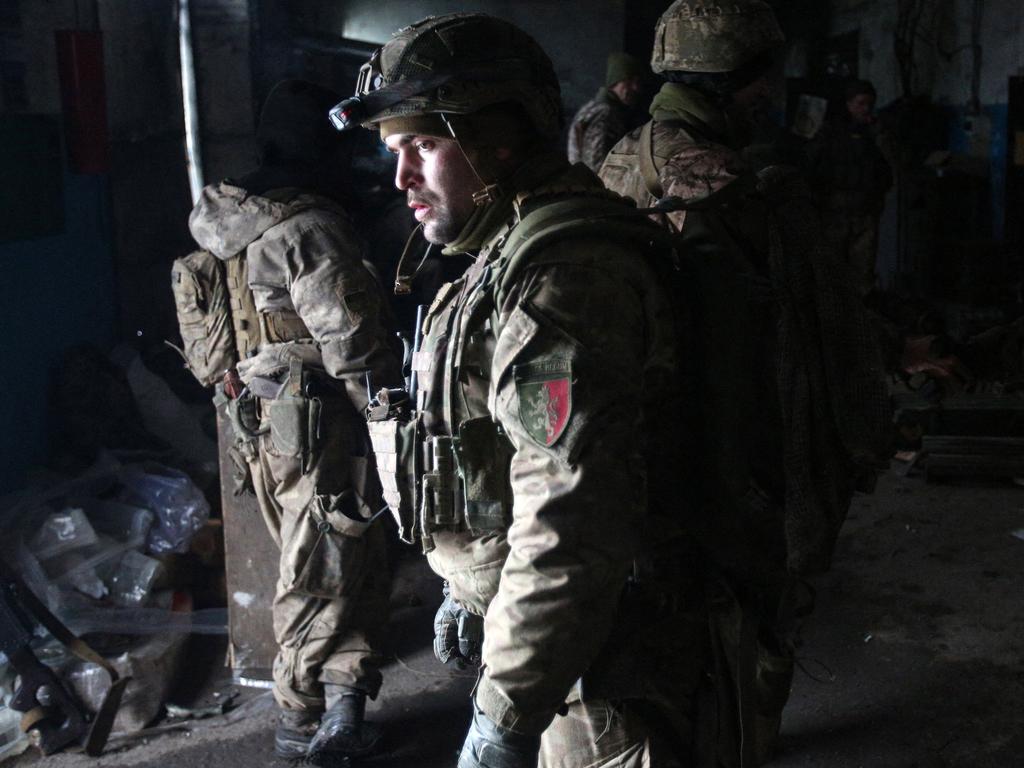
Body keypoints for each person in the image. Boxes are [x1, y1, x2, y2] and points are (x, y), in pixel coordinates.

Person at [331, 13, 702, 767]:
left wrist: (502, 721)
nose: (401, 178)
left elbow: (569, 524)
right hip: (549, 649)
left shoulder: (565, 278)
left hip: (596, 671)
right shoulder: (501, 251)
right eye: (395, 152)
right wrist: (470, 592)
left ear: (500, 136)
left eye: (423, 146)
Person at [599, 2, 892, 763]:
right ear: (741, 81)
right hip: (739, 454)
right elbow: (817, 343)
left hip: (644, 455)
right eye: (765, 79)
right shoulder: (739, 186)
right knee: (752, 627)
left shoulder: (617, 159)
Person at [172, 79, 402, 763]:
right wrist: (392, 424)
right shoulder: (309, 227)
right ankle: (302, 719)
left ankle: (342, 706)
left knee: (332, 559)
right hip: (323, 421)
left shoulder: (228, 215)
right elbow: (355, 342)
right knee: (323, 568)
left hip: (258, 417)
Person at [806, 79, 893, 296]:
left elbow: (889, 167)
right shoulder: (831, 133)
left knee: (862, 272)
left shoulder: (875, 134)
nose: (865, 109)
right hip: (833, 211)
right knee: (832, 270)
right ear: (849, 104)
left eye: (869, 104)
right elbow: (812, 165)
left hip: (864, 212)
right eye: (860, 103)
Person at [567, 52, 645, 172]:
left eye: (637, 82)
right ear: (615, 81)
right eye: (629, 81)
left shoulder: (595, 108)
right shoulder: (605, 113)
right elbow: (595, 166)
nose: (635, 88)